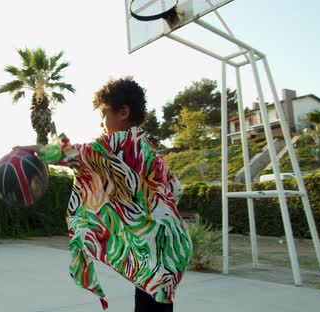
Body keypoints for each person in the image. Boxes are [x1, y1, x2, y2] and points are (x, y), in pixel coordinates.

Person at [14, 77, 192, 312]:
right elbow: (175, 189)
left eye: (103, 114)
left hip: (154, 252)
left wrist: (28, 149)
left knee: (150, 304)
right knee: (155, 303)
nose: (101, 124)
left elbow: (73, 154)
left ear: (123, 112)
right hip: (170, 246)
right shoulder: (148, 150)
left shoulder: (117, 144)